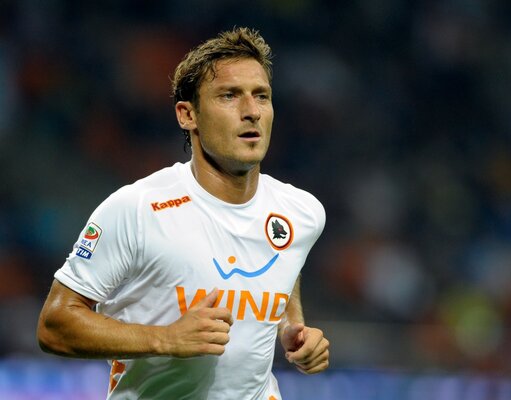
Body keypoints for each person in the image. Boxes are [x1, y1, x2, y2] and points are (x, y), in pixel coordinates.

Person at [37, 27, 329, 400]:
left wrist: (291, 327)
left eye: (261, 96)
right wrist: (165, 339)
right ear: (187, 114)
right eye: (229, 96)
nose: (251, 111)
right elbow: (54, 325)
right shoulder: (138, 209)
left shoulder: (302, 212)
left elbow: (286, 261)